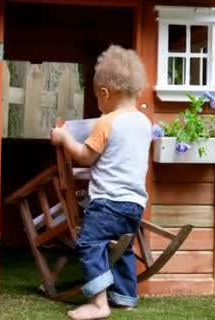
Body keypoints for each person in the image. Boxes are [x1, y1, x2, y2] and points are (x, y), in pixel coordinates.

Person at [49, 44, 152, 320]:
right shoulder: (144, 123)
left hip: (107, 202)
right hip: (134, 203)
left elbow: (84, 156)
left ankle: (98, 303)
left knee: (90, 243)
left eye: (97, 97)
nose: (98, 102)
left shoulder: (107, 122)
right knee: (123, 245)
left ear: (105, 94)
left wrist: (64, 139)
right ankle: (126, 296)